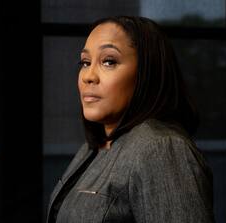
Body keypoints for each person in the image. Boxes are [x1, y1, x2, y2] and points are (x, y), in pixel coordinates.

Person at [46, 16, 215, 223]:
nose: (88, 76)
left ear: (146, 73)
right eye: (85, 62)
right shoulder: (94, 147)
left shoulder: (160, 148)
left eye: (109, 61)